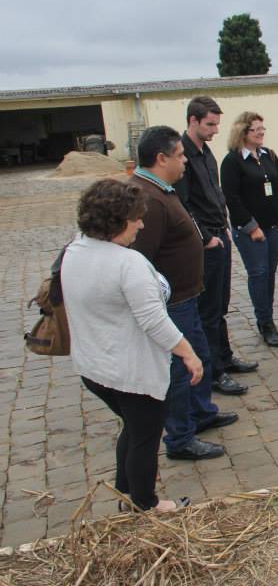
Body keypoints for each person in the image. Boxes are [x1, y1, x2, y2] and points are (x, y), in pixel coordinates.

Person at [62, 179, 199, 512]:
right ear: (117, 220)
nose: (140, 224)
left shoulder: (75, 249)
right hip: (130, 371)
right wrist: (189, 353)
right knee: (145, 436)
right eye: (136, 218)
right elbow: (154, 321)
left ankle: (125, 492)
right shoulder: (127, 263)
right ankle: (145, 504)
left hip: (94, 368)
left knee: (133, 427)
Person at [131, 125, 238, 461]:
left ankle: (201, 413)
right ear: (161, 158)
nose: (184, 163)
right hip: (171, 303)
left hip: (186, 296)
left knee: (199, 356)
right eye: (179, 156)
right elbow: (140, 260)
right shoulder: (146, 197)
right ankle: (180, 438)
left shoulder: (164, 189)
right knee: (180, 369)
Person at [175, 96, 255, 396]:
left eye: (217, 124)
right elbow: (185, 206)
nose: (215, 130)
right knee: (207, 310)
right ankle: (213, 372)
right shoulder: (183, 156)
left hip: (220, 235)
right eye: (210, 124)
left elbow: (215, 195)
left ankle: (224, 356)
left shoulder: (206, 153)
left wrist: (225, 227)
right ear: (193, 121)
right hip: (205, 243)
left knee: (220, 305)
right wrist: (205, 237)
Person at [221, 112, 278, 347]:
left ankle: (269, 320)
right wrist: (252, 227)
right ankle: (264, 324)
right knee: (259, 274)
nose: (261, 133)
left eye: (263, 129)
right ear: (243, 132)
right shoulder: (232, 161)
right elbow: (232, 199)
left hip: (274, 226)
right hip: (250, 231)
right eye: (256, 130)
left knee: (270, 274)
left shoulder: (269, 155)